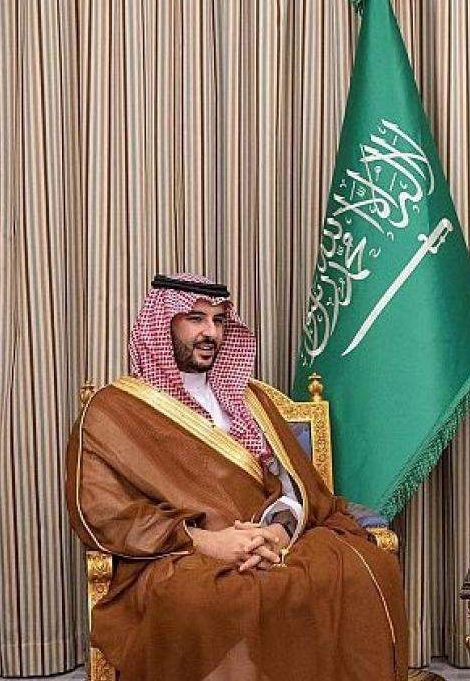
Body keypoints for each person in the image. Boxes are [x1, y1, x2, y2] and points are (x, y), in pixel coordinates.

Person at [65, 273, 408, 681]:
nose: (210, 332)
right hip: (179, 552)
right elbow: (102, 511)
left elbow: (295, 484)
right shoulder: (113, 410)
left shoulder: (251, 399)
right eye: (196, 318)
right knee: (204, 599)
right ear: (163, 324)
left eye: (219, 320)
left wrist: (277, 531)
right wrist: (208, 542)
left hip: (271, 541)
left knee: (359, 567)